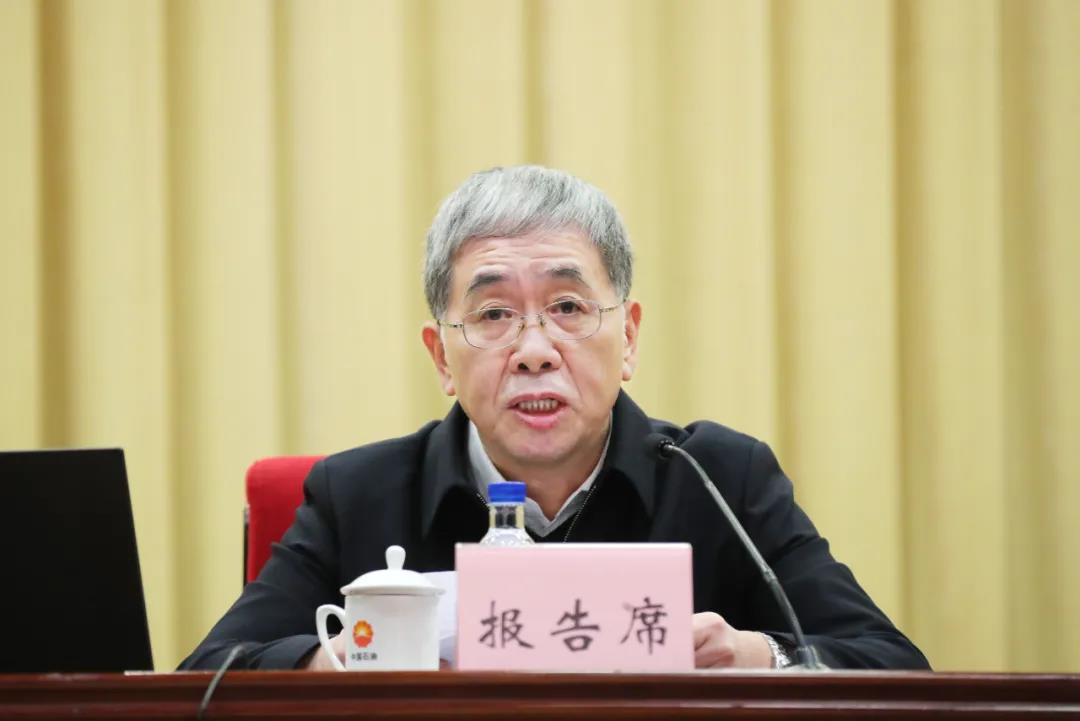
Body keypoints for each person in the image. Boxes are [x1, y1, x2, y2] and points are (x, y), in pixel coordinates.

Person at [181, 165, 929, 671]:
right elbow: (207, 674)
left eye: (568, 307)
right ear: (441, 357)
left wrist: (761, 656)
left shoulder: (721, 478)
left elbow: (890, 664)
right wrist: (338, 660)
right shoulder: (358, 494)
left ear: (627, 337)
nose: (534, 350)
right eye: (493, 314)